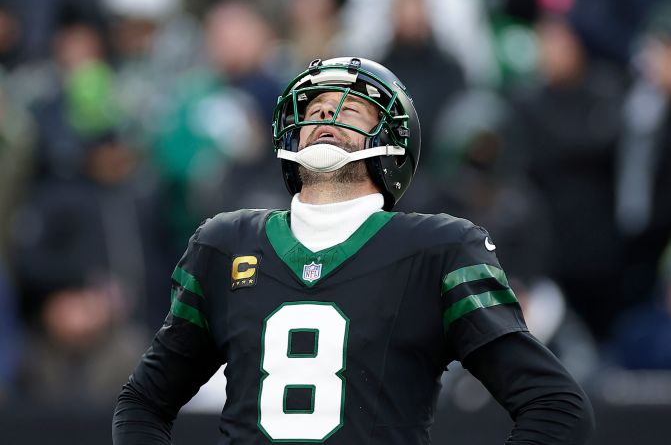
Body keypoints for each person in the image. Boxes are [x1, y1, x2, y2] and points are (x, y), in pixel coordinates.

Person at [113, 57, 594, 444]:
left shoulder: (439, 248)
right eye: (316, 110)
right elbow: (143, 404)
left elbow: (555, 406)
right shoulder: (224, 244)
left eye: (349, 110)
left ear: (390, 141)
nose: (326, 118)